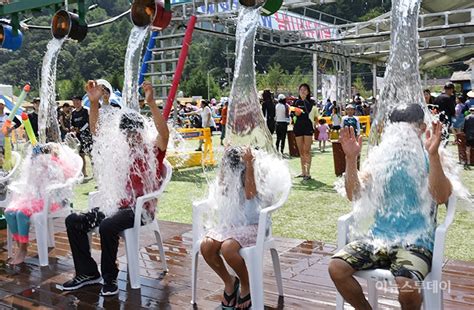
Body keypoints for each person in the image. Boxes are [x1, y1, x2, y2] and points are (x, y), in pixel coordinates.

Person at [328, 104, 452, 310]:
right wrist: (351, 159)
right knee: (336, 268)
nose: (402, 135)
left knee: (408, 288)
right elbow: (354, 194)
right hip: (379, 238)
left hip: (417, 241)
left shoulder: (431, 153)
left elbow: (440, 197)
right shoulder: (381, 157)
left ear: (421, 128)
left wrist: (433, 156)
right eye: (397, 128)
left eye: (408, 128)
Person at [61, 80, 169, 296]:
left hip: (140, 211)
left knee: (108, 226)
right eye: (127, 135)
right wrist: (93, 104)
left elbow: (164, 134)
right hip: (119, 208)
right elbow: (97, 133)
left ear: (141, 131)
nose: (131, 138)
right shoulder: (122, 151)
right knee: (74, 221)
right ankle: (88, 273)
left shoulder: (152, 150)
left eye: (134, 133)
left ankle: (109, 278)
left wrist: (151, 104)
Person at [200, 146, 257, 310]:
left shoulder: (254, 167)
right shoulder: (231, 170)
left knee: (228, 249)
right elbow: (222, 188)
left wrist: (249, 163)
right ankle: (229, 282)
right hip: (233, 224)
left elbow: (250, 194)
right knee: (206, 246)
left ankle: (246, 285)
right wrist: (224, 162)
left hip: (253, 224)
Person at [5, 143, 80, 265]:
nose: (42, 158)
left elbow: (58, 185)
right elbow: (30, 184)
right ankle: (20, 246)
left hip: (52, 201)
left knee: (21, 214)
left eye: (45, 155)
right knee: (9, 213)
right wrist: (33, 165)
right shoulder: (37, 166)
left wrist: (49, 166)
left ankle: (23, 249)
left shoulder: (56, 166)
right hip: (36, 199)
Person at [292, 83, 318, 181]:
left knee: (307, 151)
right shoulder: (296, 101)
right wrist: (294, 113)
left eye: (305, 90)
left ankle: (308, 173)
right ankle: (303, 172)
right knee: (301, 151)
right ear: (299, 91)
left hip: (308, 127)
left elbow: (309, 110)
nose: (302, 91)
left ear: (308, 92)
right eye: (301, 90)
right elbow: (292, 113)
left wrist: (304, 100)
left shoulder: (311, 102)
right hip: (298, 127)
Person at [70, 95, 92, 177]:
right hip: (78, 137)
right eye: (74, 101)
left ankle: (95, 172)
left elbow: (88, 122)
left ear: (81, 101)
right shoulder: (73, 113)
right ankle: (84, 173)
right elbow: (71, 124)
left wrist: (81, 129)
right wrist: (72, 128)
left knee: (90, 155)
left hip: (87, 135)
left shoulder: (86, 110)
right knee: (81, 155)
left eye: (77, 101)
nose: (75, 103)